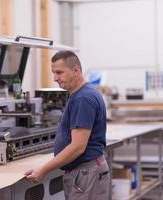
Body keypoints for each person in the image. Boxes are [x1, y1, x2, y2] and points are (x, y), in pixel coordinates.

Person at [24, 50, 110, 200]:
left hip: (85, 174)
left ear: (76, 70)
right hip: (86, 172)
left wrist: (43, 170)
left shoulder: (82, 98)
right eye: (53, 73)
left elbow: (77, 147)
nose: (55, 78)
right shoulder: (82, 93)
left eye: (59, 72)